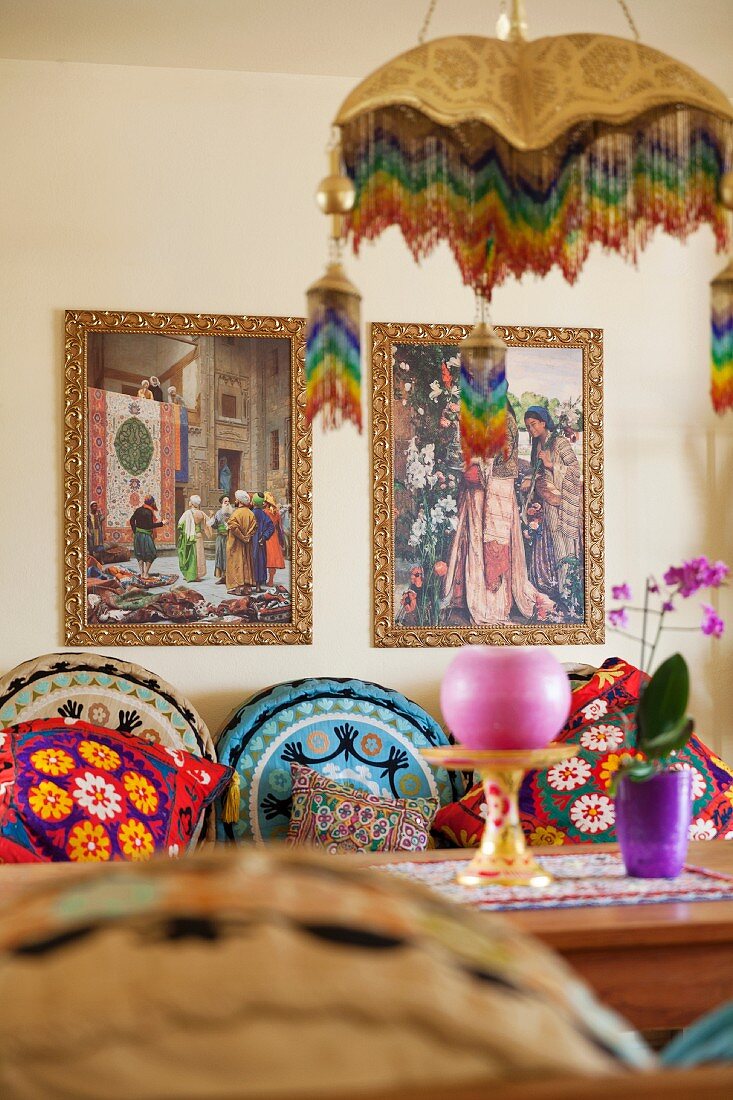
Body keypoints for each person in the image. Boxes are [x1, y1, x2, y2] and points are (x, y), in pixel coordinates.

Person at [443, 404, 554, 625]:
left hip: (494, 491)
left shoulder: (507, 421)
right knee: (472, 540)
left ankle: (492, 603)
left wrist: (480, 466)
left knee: (491, 542)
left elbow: (505, 459)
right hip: (475, 495)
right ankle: (466, 598)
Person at [520, 404, 583, 614]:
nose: (531, 430)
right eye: (528, 427)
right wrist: (530, 480)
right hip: (546, 504)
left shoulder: (560, 442)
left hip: (562, 504)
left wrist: (550, 465)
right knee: (554, 548)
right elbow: (535, 471)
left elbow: (575, 471)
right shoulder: (537, 445)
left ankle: (570, 595)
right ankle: (557, 593)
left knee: (564, 547)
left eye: (534, 424)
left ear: (544, 422)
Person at [226, 490, 257, 594]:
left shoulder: (236, 513)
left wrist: (242, 537)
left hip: (236, 543)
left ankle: (238, 589)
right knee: (247, 563)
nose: (235, 500)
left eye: (236, 499)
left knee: (237, 563)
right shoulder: (250, 513)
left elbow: (233, 527)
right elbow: (254, 527)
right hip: (247, 543)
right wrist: (247, 537)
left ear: (239, 500)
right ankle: (247, 588)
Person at [177, 495, 213, 582]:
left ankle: (190, 574)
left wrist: (184, 531)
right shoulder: (201, 513)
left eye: (190, 501)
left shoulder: (187, 513)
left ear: (192, 503)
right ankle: (197, 575)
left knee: (190, 555)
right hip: (198, 535)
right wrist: (211, 515)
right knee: (198, 555)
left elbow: (180, 525)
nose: (189, 502)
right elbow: (210, 523)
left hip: (190, 537)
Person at [129, 496, 166, 579]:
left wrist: (135, 530)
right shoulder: (148, 512)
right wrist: (162, 523)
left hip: (138, 535)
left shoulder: (138, 510)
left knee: (140, 553)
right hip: (146, 536)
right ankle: (145, 574)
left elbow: (131, 521)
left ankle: (142, 573)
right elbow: (149, 525)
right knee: (151, 553)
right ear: (151, 503)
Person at [250, 493, 275, 591]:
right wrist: (264, 537)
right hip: (260, 541)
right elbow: (271, 527)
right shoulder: (264, 514)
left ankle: (253, 583)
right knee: (260, 561)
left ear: (253, 502)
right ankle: (258, 585)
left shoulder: (251, 513)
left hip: (251, 541)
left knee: (252, 561)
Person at [263, 492, 285, 588]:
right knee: (272, 560)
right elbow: (280, 528)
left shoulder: (265, 512)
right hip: (274, 537)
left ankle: (268, 580)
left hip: (267, 536)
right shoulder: (276, 513)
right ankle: (271, 579)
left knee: (267, 559)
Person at [213, 495, 233, 584]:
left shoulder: (233, 512)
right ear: (222, 503)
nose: (227, 503)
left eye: (228, 501)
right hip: (221, 538)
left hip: (230, 537)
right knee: (221, 556)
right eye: (225, 502)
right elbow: (214, 525)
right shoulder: (218, 513)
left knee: (229, 556)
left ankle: (230, 576)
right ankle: (223, 577)